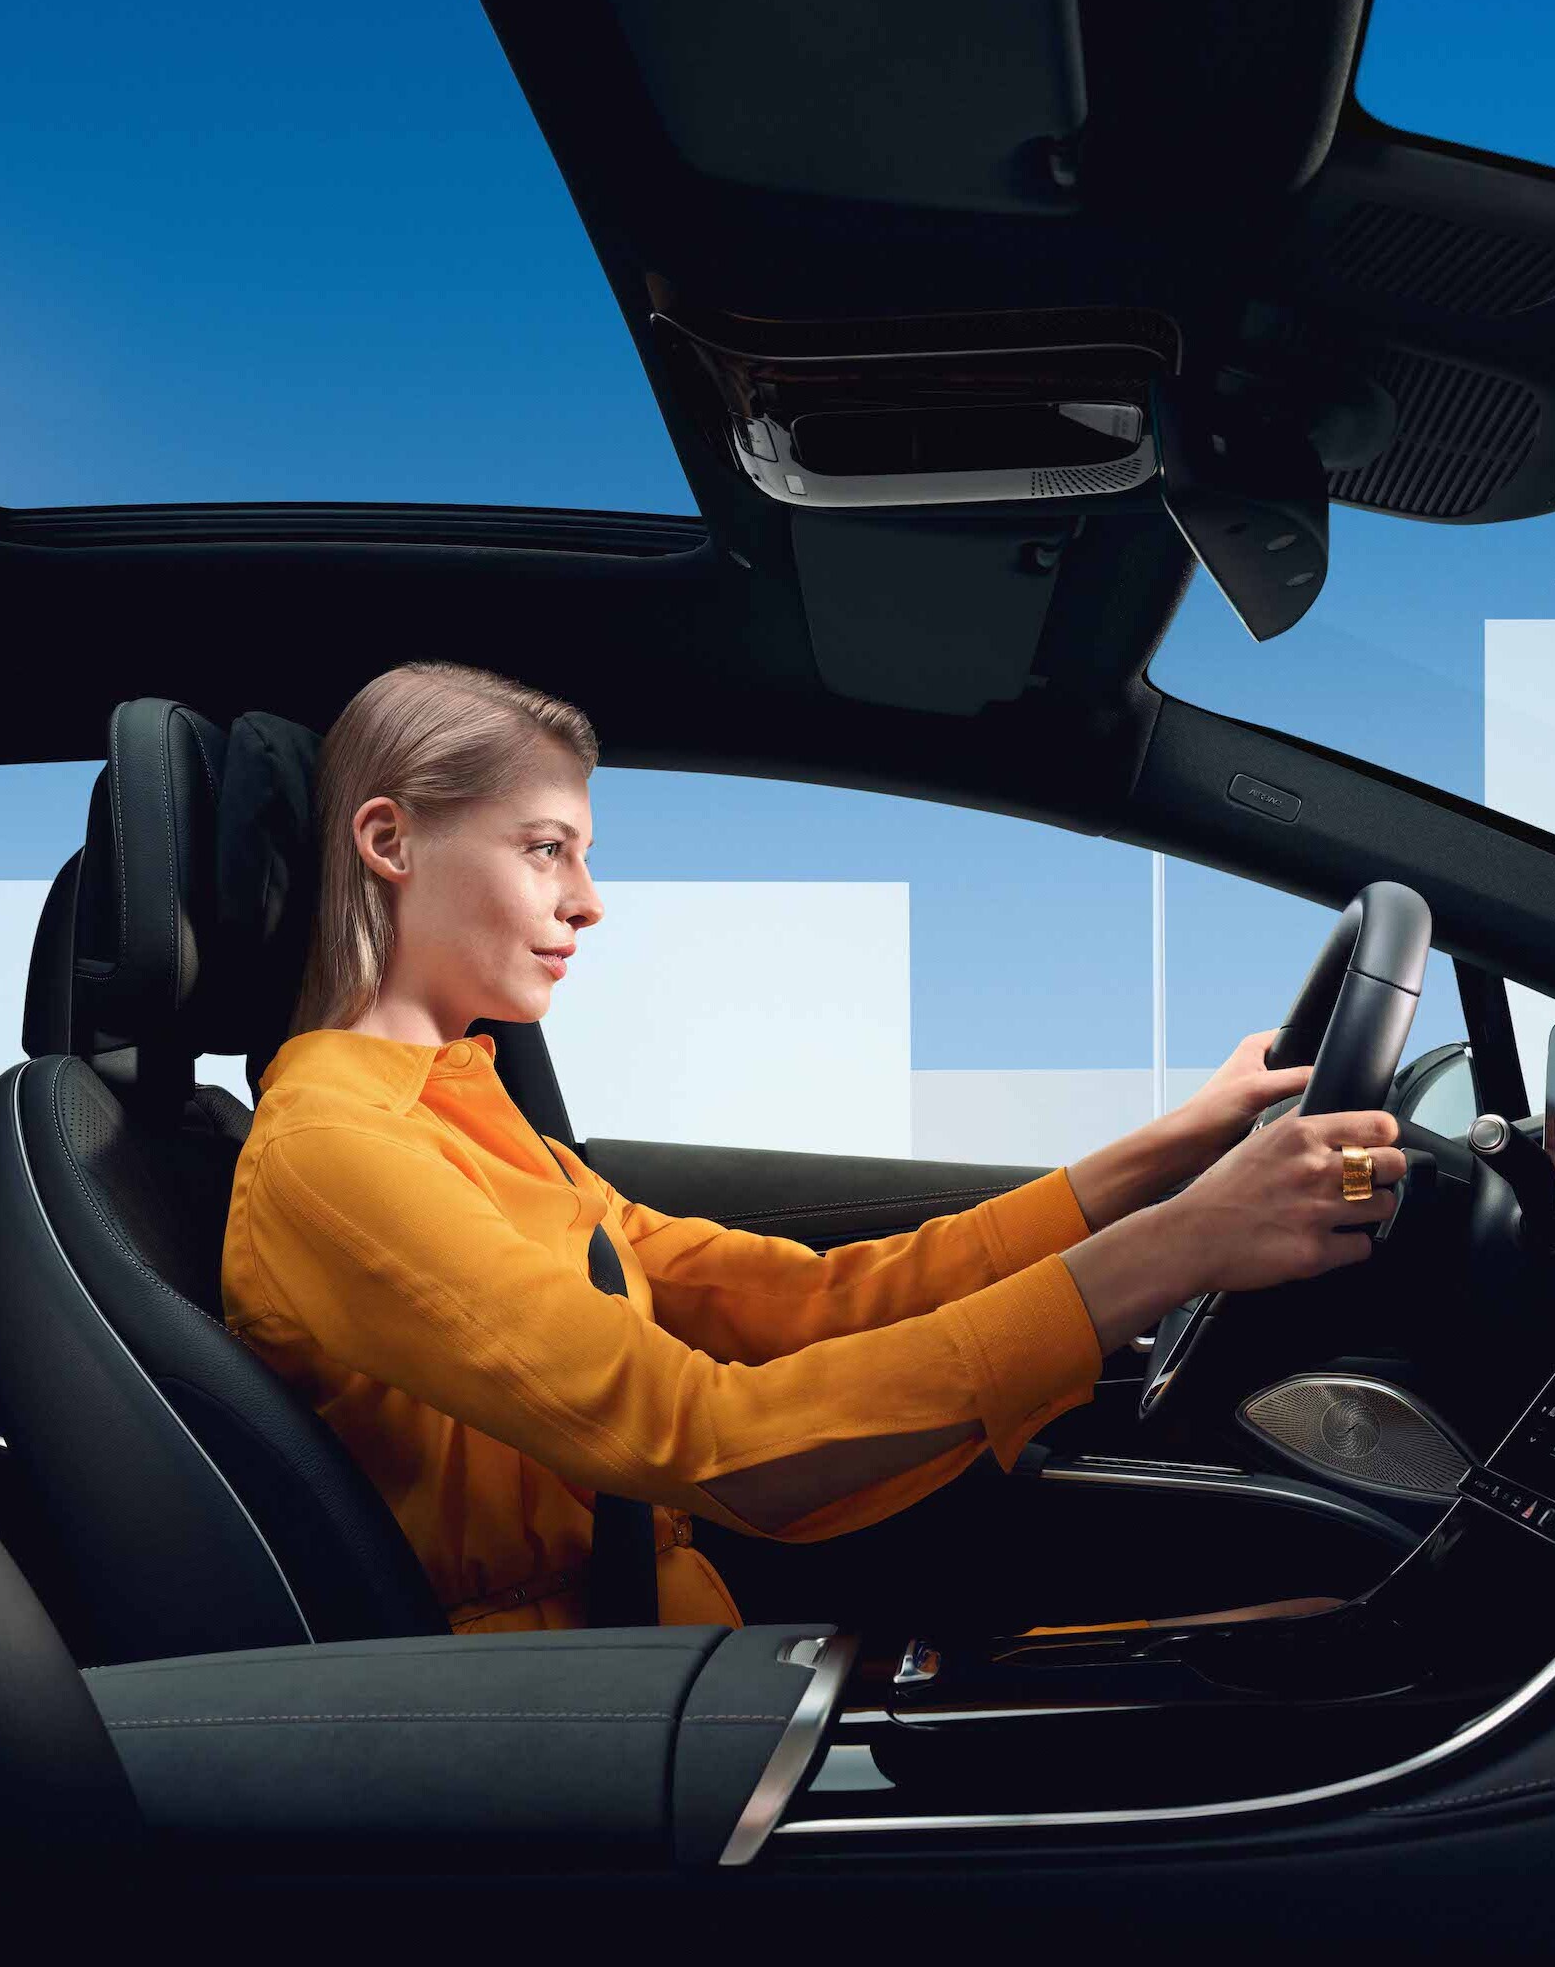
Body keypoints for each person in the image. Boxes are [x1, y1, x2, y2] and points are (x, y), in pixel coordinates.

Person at [221, 659, 1407, 1634]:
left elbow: (806, 1300)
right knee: (1329, 1643)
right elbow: (717, 1441)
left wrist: (1170, 1150)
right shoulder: (336, 1153)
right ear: (389, 840)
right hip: (588, 1717)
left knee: (1304, 1624)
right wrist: (1179, 1246)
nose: (589, 900)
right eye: (545, 848)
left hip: (678, 1630)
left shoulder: (456, 1108)